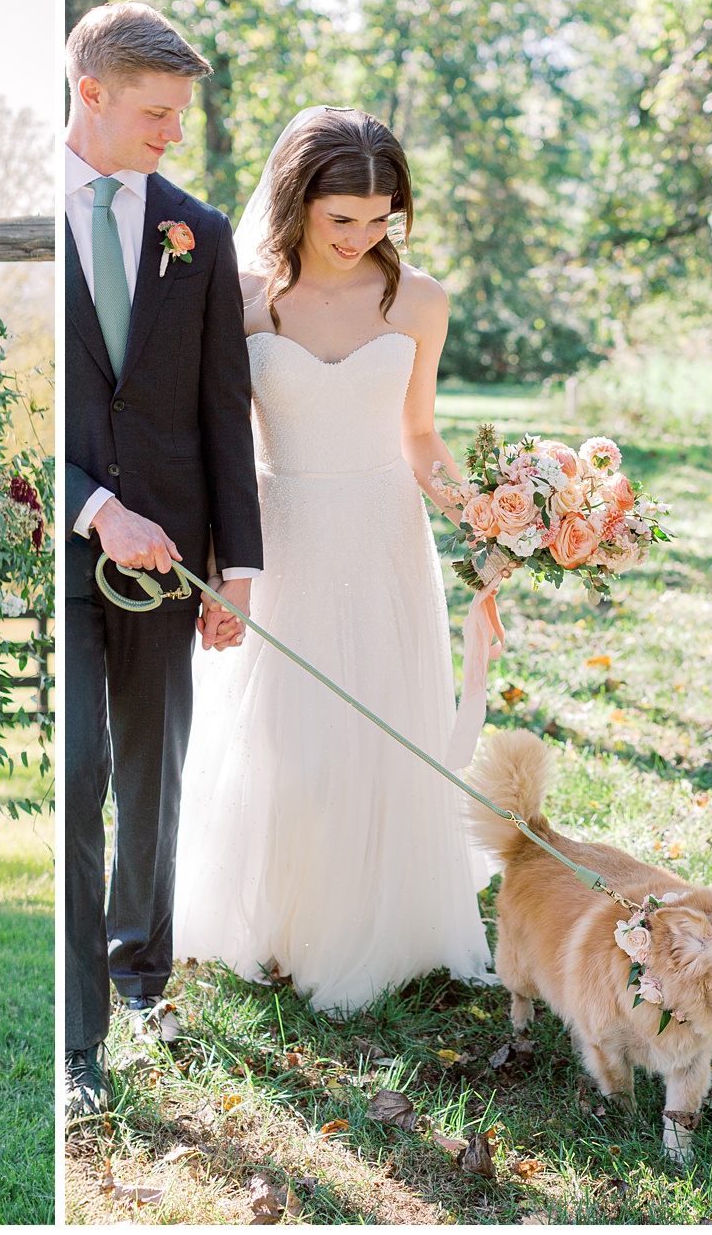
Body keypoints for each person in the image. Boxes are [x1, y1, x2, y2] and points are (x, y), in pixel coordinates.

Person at [173, 107, 494, 1015]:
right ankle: (280, 915)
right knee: (291, 736)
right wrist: (218, 566)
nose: (360, 239)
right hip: (282, 534)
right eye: (340, 219)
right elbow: (220, 447)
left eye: (380, 219)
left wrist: (486, 519)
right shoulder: (242, 300)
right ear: (297, 202)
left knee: (384, 725)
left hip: (388, 533)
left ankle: (382, 921)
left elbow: (420, 434)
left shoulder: (419, 301)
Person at [62, 2, 264, 1117]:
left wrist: (236, 567)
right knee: (80, 767)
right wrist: (91, 505)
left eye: (180, 114)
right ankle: (74, 1041)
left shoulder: (198, 230)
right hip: (61, 550)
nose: (171, 134)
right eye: (155, 113)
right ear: (89, 92)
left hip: (174, 557)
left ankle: (140, 974)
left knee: (151, 769)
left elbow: (218, 407)